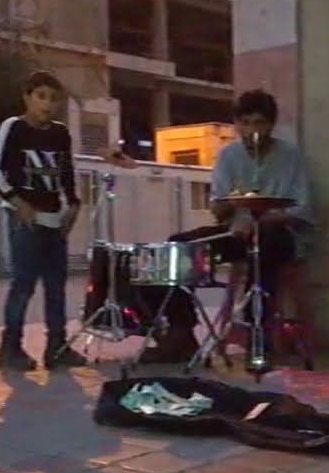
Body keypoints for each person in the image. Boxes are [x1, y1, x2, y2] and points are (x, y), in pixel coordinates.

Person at [102, 89, 313, 363]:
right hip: (237, 230)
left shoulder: (290, 156)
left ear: (271, 125)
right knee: (176, 246)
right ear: (237, 125)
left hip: (280, 232)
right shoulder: (229, 156)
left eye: (259, 123)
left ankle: (256, 333)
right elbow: (218, 208)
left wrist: (262, 218)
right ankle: (181, 331)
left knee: (266, 248)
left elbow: (303, 208)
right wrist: (229, 205)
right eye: (246, 123)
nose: (252, 131)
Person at [0, 71, 88, 372]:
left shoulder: (60, 133)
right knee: (23, 285)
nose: (47, 104)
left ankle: (57, 346)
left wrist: (73, 204)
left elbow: (66, 171)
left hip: (54, 218)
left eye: (54, 99)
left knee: (56, 285)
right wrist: (18, 202)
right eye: (41, 96)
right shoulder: (13, 127)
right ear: (27, 97)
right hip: (25, 219)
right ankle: (10, 348)